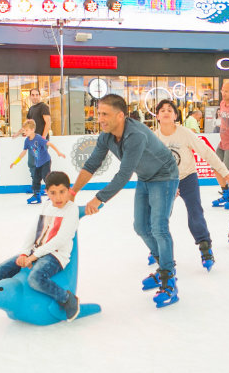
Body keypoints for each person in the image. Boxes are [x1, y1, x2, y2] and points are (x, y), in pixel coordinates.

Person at [71, 93, 180, 308]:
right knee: (140, 227)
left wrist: (98, 199)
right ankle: (163, 266)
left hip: (165, 176)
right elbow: (92, 164)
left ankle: (169, 280)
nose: (100, 118)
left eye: (105, 114)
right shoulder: (106, 135)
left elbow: (123, 175)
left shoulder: (135, 135)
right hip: (146, 176)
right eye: (98, 113)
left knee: (159, 227)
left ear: (120, 115)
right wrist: (73, 192)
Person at [154, 99, 229, 270]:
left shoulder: (185, 133)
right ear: (157, 116)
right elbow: (150, 164)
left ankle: (205, 249)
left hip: (188, 177)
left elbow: (205, 152)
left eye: (170, 109)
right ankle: (157, 249)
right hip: (167, 182)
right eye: (162, 110)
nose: (166, 112)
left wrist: (225, 172)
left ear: (175, 115)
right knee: (160, 217)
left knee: (195, 213)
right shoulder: (154, 137)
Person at [0, 170, 80, 321]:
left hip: (55, 255)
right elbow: (34, 230)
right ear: (46, 192)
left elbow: (60, 239)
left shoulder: (72, 209)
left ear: (69, 191)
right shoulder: (46, 206)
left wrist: (33, 257)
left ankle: (67, 299)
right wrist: (24, 254)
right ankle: (25, 293)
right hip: (37, 251)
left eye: (62, 192)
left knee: (35, 279)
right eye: (52, 193)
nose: (57, 197)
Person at [10, 119, 66, 204]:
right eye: (24, 130)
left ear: (32, 130)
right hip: (38, 163)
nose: (25, 132)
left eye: (27, 130)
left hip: (46, 161)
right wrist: (15, 162)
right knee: (35, 179)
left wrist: (58, 152)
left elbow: (49, 144)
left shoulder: (38, 138)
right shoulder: (27, 141)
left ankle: (53, 195)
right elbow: (23, 152)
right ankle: (37, 195)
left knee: (46, 177)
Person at [12, 88, 51, 193]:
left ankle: (48, 188)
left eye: (37, 94)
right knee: (32, 164)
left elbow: (48, 122)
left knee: (41, 165)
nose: (35, 97)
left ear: (40, 96)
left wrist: (43, 137)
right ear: (30, 96)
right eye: (33, 95)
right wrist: (18, 133)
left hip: (40, 142)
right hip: (32, 142)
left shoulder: (43, 107)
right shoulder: (31, 109)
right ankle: (36, 187)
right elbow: (27, 125)